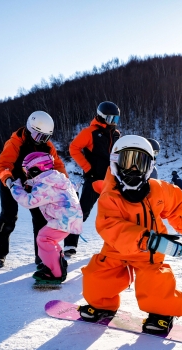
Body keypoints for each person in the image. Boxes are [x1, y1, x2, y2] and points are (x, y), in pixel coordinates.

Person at [77, 135, 182, 335]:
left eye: (139, 163)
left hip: (149, 252)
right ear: (115, 163)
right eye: (127, 162)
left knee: (155, 279)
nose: (133, 169)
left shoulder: (159, 189)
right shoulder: (109, 195)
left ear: (149, 167)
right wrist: (148, 239)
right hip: (117, 248)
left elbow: (175, 206)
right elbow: (110, 226)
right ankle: (102, 304)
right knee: (97, 276)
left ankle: (161, 314)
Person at [0, 110, 68, 268]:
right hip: (11, 182)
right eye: (40, 137)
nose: (42, 141)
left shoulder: (47, 146)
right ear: (30, 129)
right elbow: (3, 165)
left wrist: (66, 184)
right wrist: (9, 180)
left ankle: (42, 255)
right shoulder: (15, 143)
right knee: (8, 216)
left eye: (46, 137)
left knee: (41, 218)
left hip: (33, 184)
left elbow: (58, 165)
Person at [8, 152, 82, 285]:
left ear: (37, 169)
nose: (27, 174)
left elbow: (28, 201)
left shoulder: (45, 184)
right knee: (48, 239)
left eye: (28, 171)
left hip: (64, 220)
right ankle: (54, 263)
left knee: (44, 238)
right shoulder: (53, 179)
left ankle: (56, 273)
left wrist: (15, 187)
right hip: (69, 218)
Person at [63, 101, 121, 258]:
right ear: (102, 117)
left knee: (115, 213)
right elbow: (73, 148)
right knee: (83, 211)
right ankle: (70, 244)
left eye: (116, 120)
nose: (114, 123)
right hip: (94, 179)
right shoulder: (90, 132)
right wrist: (88, 169)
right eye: (111, 119)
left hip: (112, 180)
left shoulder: (116, 135)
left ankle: (114, 245)